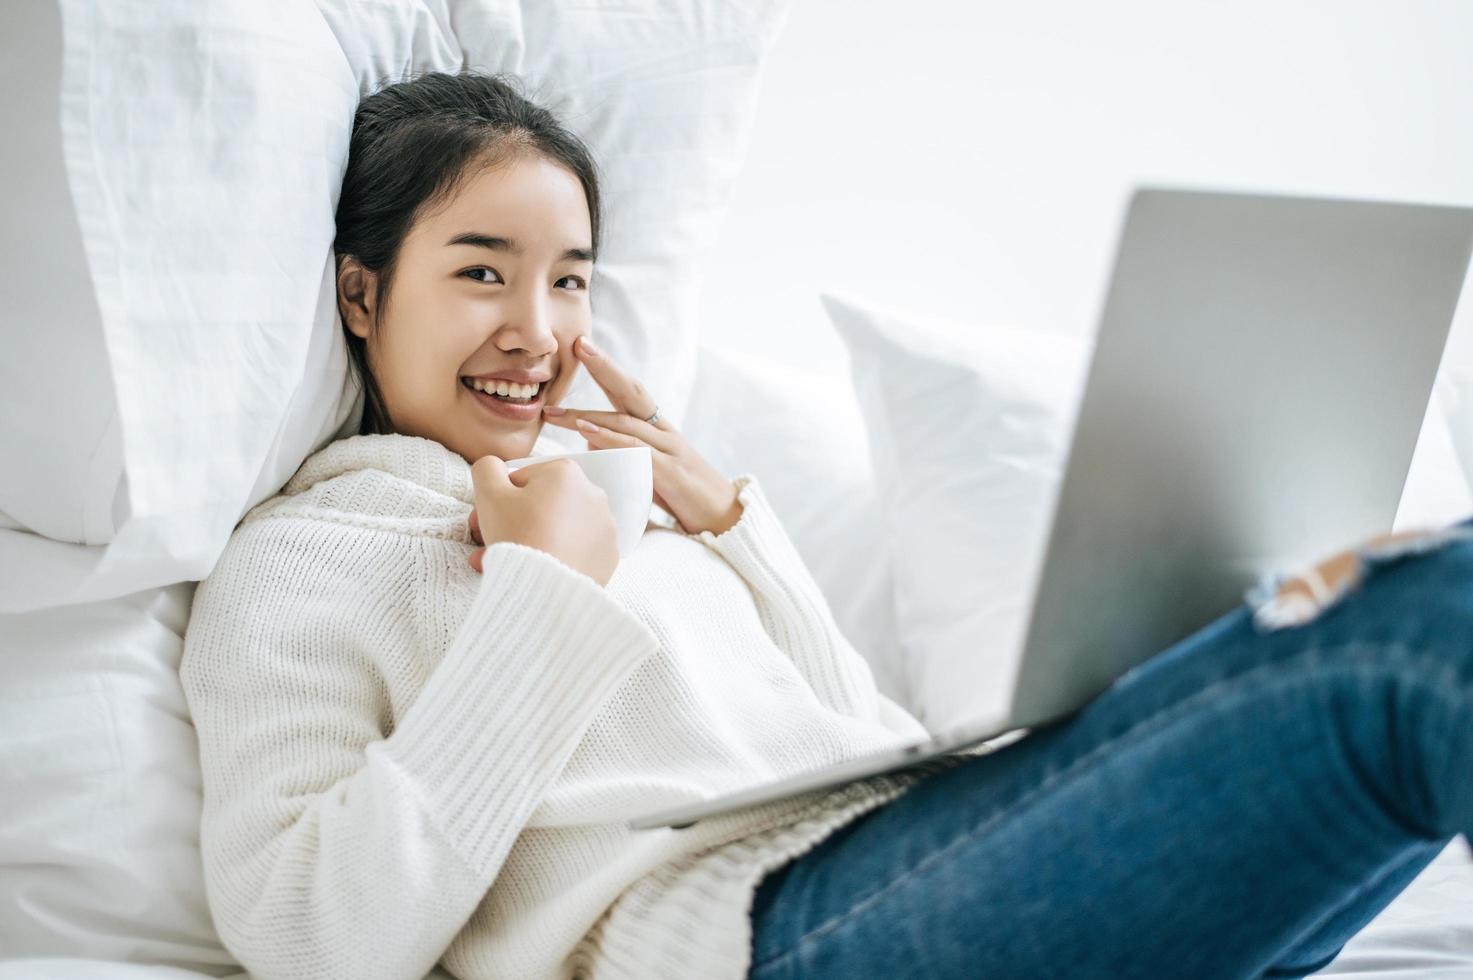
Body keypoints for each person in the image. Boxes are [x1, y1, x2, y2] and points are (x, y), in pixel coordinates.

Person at [176, 68, 1473, 980]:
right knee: (1424, 640)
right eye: (480, 272)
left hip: (920, 850)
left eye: (567, 278)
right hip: (769, 935)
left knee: (1414, 591)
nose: (538, 328)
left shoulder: (633, 502)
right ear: (360, 290)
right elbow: (307, 938)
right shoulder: (302, 561)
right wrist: (545, 593)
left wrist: (730, 527)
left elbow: (863, 744)